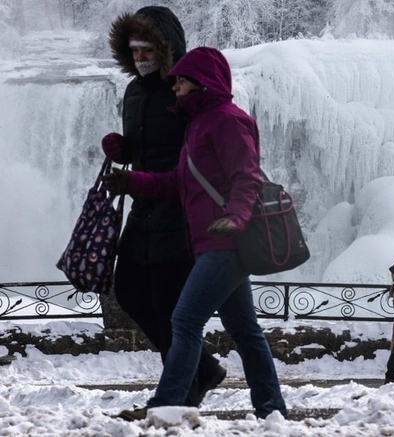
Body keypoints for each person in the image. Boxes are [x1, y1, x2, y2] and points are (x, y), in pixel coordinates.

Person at [103, 46, 288, 421]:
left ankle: (166, 406)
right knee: (245, 330)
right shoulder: (199, 124)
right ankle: (271, 409)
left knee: (185, 321)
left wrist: (235, 219)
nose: (175, 89)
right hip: (210, 241)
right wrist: (131, 180)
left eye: (181, 82)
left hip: (226, 241)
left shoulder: (227, 120)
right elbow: (179, 182)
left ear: (202, 83)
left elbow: (246, 176)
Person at [102, 6, 225, 408]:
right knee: (131, 289)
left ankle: (179, 398)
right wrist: (123, 148)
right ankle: (202, 370)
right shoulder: (133, 91)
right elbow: (145, 145)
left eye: (147, 51)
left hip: (181, 210)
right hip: (144, 205)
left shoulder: (185, 90)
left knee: (172, 306)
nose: (141, 60)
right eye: (134, 53)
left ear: (166, 48)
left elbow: (196, 157)